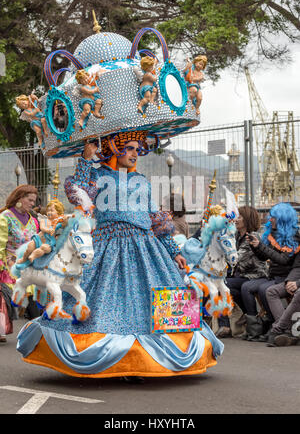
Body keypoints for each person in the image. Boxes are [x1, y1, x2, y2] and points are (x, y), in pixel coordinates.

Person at [16, 131, 224, 380]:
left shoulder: (143, 181)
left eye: (139, 149)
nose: (136, 154)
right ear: (115, 148)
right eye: (131, 148)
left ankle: (158, 355)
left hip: (148, 249)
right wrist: (85, 159)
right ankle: (121, 360)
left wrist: (173, 250)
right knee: (104, 302)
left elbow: (153, 218)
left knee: (164, 297)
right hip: (108, 249)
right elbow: (79, 195)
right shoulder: (98, 176)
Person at [244, 202, 300, 342]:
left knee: (265, 289)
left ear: (282, 218)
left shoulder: (294, 237)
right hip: (275, 276)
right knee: (246, 287)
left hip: (285, 277)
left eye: (273, 217)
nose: (270, 219)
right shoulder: (272, 233)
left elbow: (283, 260)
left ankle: (278, 327)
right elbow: (264, 257)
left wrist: (261, 246)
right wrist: (255, 247)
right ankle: (265, 327)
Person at [216, 206, 268, 339]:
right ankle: (232, 324)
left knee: (222, 285)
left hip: (255, 276)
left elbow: (236, 258)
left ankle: (246, 321)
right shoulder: (236, 236)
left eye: (239, 217)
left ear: (247, 220)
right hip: (242, 276)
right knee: (226, 287)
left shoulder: (252, 237)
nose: (235, 220)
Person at [0, 185, 39, 342]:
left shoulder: (34, 221)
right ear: (19, 199)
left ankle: (38, 332)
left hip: (28, 265)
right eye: (29, 200)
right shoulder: (5, 217)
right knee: (3, 297)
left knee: (34, 298)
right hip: (8, 265)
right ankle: (2, 329)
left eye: (33, 201)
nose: (32, 204)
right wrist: (3, 265)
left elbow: (36, 244)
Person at [17, 199, 67, 264]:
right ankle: (23, 259)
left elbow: (64, 225)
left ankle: (33, 256)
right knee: (30, 247)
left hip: (49, 242)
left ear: (58, 213)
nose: (49, 212)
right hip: (38, 239)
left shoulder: (57, 223)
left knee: (45, 249)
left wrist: (65, 219)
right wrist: (48, 230)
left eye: (52, 211)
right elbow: (42, 228)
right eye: (48, 211)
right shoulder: (44, 220)